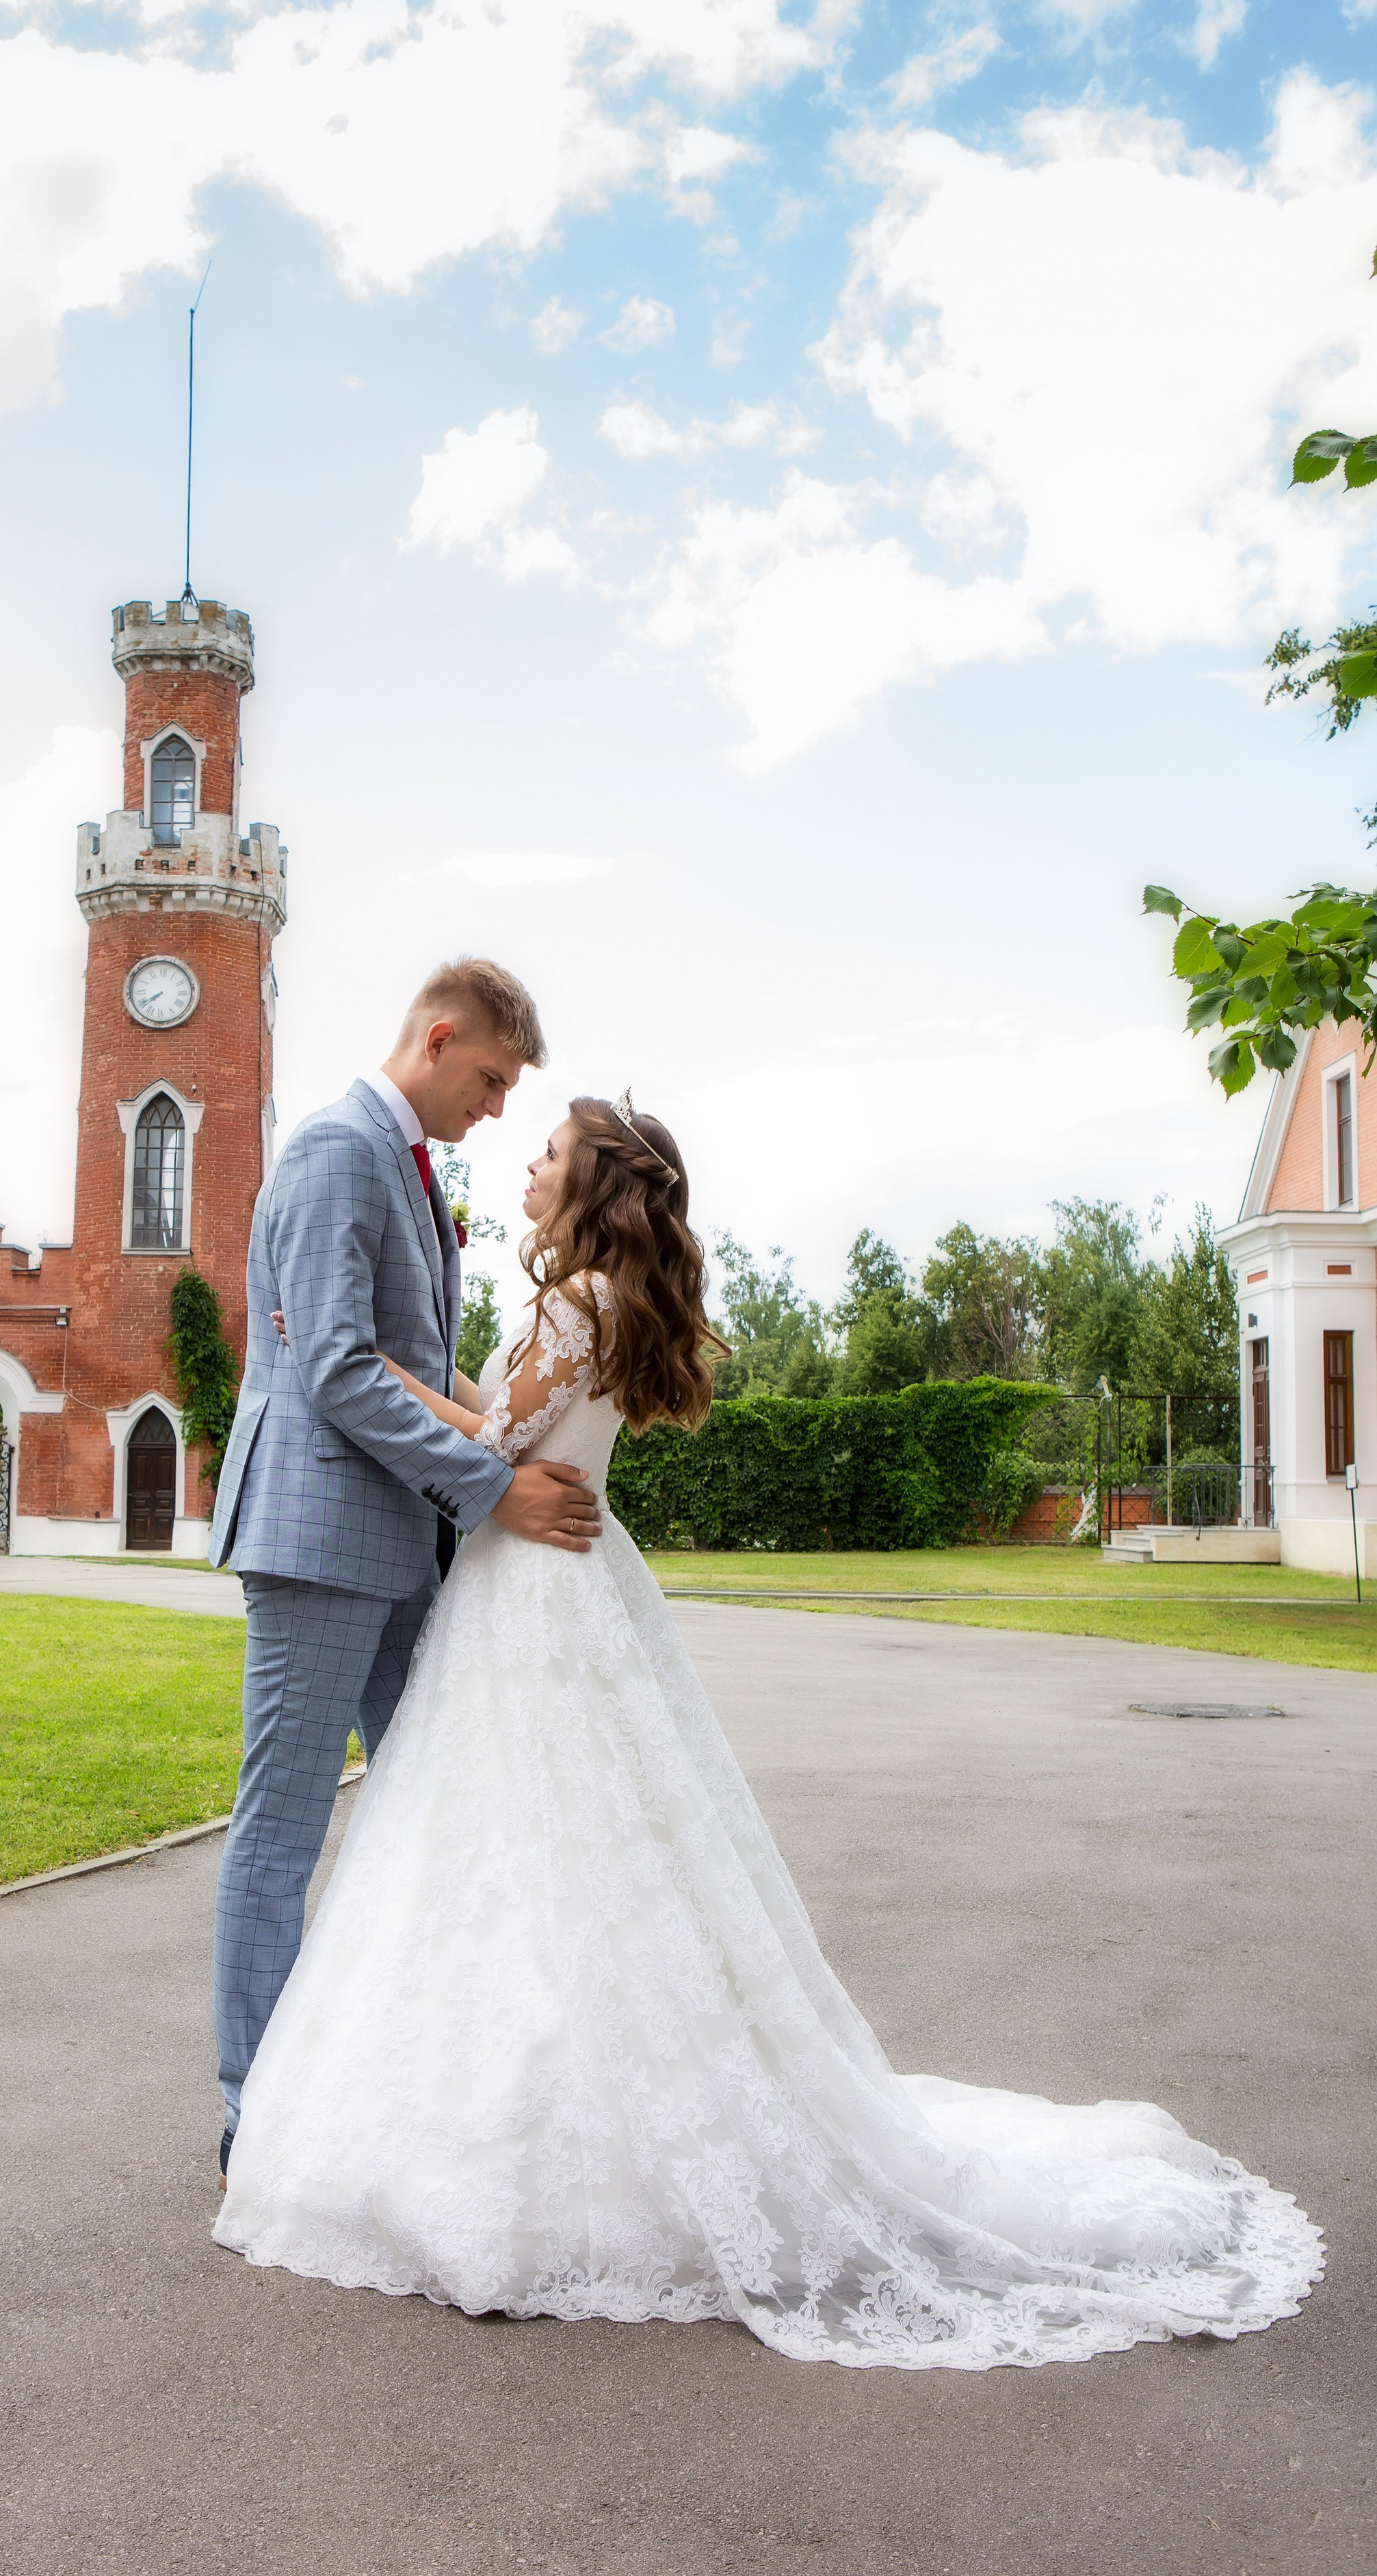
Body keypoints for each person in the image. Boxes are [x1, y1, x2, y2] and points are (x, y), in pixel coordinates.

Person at [213, 1094, 1322, 2369]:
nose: (529, 1162)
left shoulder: (576, 1303)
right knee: (564, 1847)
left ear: (593, 1185)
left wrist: (368, 1364)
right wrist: (428, 1378)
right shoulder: (600, 1301)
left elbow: (497, 1439)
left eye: (550, 1153)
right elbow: (511, 1410)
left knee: (524, 1847)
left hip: (533, 1590)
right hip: (559, 1584)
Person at [208, 960, 603, 2183]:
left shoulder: (409, 1166)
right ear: (437, 1040)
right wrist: (494, 1489)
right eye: (490, 1076)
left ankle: (399, 2086)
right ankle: (256, 2115)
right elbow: (336, 1367)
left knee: (431, 1817)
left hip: (402, 1545)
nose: (498, 1106)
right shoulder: (338, 1150)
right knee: (283, 1832)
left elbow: (414, 1362)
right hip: (319, 1541)